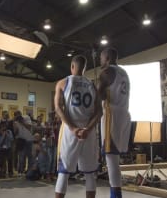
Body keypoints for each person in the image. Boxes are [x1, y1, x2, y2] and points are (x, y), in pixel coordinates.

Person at [54, 55, 101, 198]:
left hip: (70, 130)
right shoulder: (92, 85)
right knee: (90, 174)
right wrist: (88, 129)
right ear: (85, 68)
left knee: (64, 172)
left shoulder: (63, 83)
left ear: (72, 66)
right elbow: (99, 111)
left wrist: (73, 128)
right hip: (89, 131)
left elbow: (58, 108)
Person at [98, 48, 131, 198]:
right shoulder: (124, 73)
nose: (100, 61)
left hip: (112, 115)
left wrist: (95, 85)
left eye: (101, 58)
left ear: (107, 58)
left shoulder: (107, 71)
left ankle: (115, 195)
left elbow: (99, 95)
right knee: (114, 159)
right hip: (124, 114)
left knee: (111, 159)